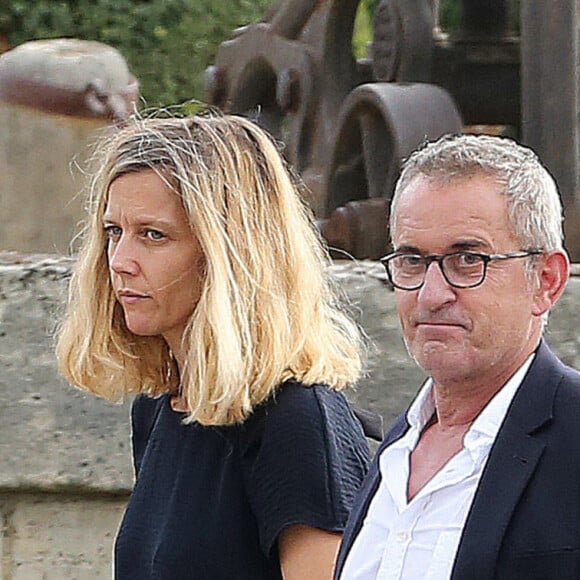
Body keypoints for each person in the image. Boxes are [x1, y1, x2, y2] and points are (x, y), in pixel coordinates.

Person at [56, 113, 372, 580]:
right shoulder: (160, 409)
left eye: (153, 235)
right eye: (112, 232)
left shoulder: (298, 421)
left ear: (229, 254)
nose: (120, 262)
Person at [335, 133, 580, 580]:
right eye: (411, 260)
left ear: (546, 280)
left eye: (468, 259)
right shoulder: (395, 451)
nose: (431, 294)